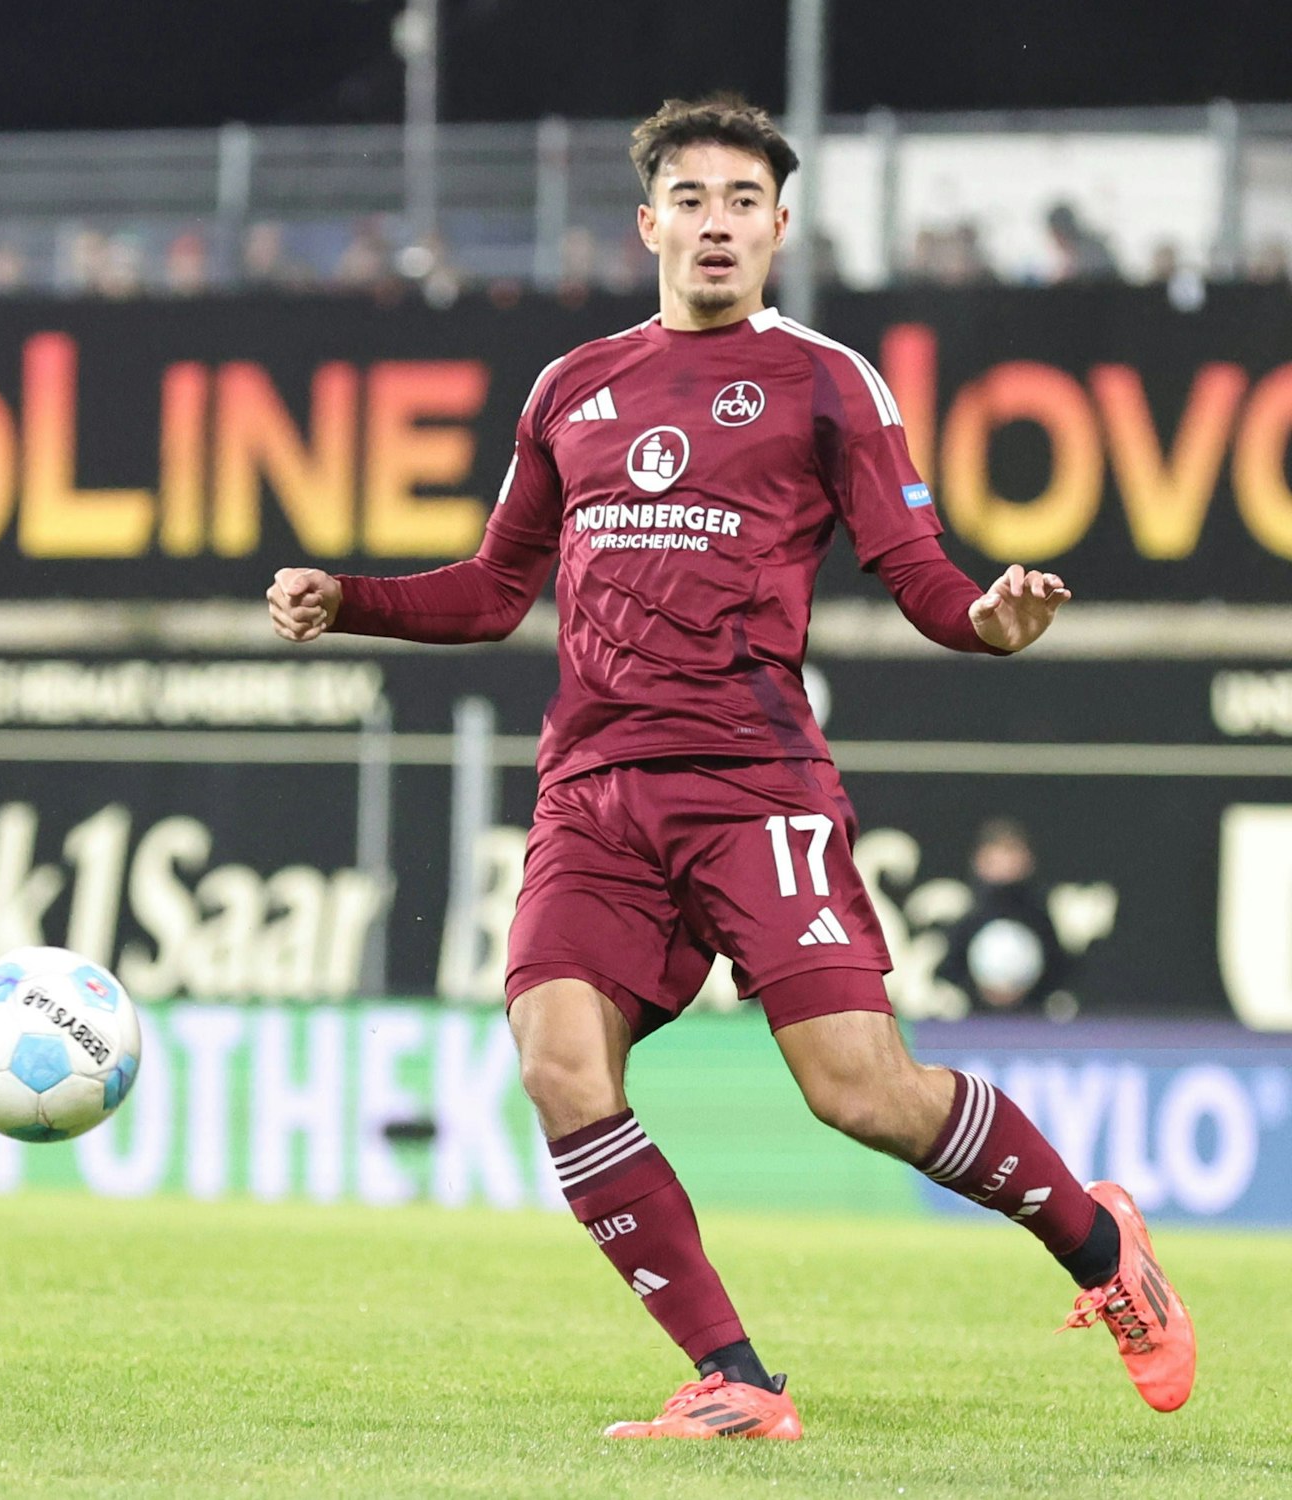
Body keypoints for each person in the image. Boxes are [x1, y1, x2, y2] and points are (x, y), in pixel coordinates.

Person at [266, 93, 1192, 1440]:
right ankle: (740, 1381)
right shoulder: (572, 388)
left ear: (779, 227)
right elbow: (488, 591)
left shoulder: (827, 381)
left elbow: (922, 578)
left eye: (742, 202)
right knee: (558, 1062)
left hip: (754, 790)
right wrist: (346, 598)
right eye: (691, 199)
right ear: (649, 223)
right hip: (593, 797)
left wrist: (991, 622)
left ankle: (1105, 1253)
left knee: (861, 1093)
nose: (716, 223)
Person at [936, 817, 1076, 1018]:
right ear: (980, 860)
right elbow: (949, 972)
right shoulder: (971, 917)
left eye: (1012, 854)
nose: (1006, 864)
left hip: (1032, 1022)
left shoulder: (1038, 916)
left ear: (1027, 859)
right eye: (998, 856)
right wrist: (977, 991)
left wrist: (1031, 990)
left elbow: (1058, 971)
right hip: (975, 1025)